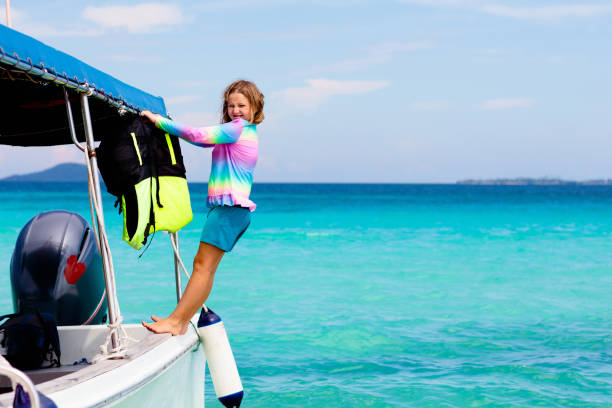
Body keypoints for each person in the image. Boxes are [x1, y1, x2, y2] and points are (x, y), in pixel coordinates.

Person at [140, 79, 264, 335]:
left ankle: (176, 321)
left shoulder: (238, 129)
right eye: (231, 106)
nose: (236, 110)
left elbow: (197, 134)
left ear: (254, 106)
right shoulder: (241, 132)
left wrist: (157, 121)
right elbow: (203, 141)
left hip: (229, 209)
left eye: (241, 105)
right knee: (205, 269)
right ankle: (182, 320)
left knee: (201, 267)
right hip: (235, 211)